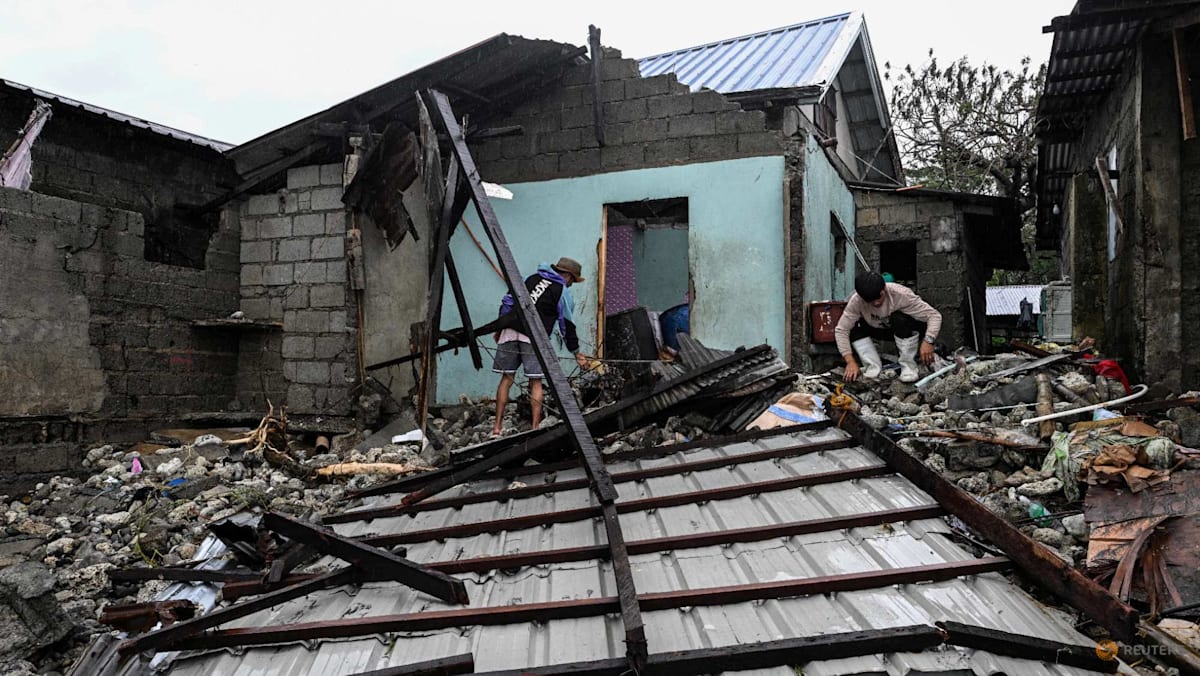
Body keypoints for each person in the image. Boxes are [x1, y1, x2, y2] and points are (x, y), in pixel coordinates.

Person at [491, 257, 591, 436]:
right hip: (533, 337)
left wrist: (500, 328)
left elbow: (507, 301)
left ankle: (496, 428)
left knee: (506, 379)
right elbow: (567, 325)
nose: (571, 285)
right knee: (535, 382)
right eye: (573, 281)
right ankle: (535, 428)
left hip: (509, 330)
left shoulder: (531, 279)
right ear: (567, 276)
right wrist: (576, 353)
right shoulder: (561, 290)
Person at [835, 271, 941, 383]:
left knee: (898, 318)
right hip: (877, 329)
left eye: (879, 297)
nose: (876, 303)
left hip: (904, 328)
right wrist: (850, 362)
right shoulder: (856, 301)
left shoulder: (901, 294)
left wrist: (929, 340)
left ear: (884, 288)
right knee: (854, 325)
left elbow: (934, 315)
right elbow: (841, 330)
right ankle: (872, 368)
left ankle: (909, 367)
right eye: (871, 301)